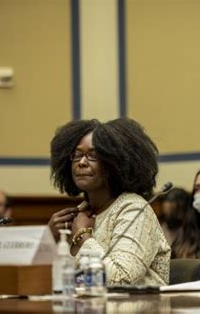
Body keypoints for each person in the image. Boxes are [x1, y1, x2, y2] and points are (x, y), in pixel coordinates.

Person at [48, 118, 170, 287]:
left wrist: (83, 236)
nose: (82, 162)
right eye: (77, 155)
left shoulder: (134, 210)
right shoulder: (76, 216)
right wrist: (48, 242)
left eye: (93, 156)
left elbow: (122, 279)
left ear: (115, 164)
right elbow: (61, 281)